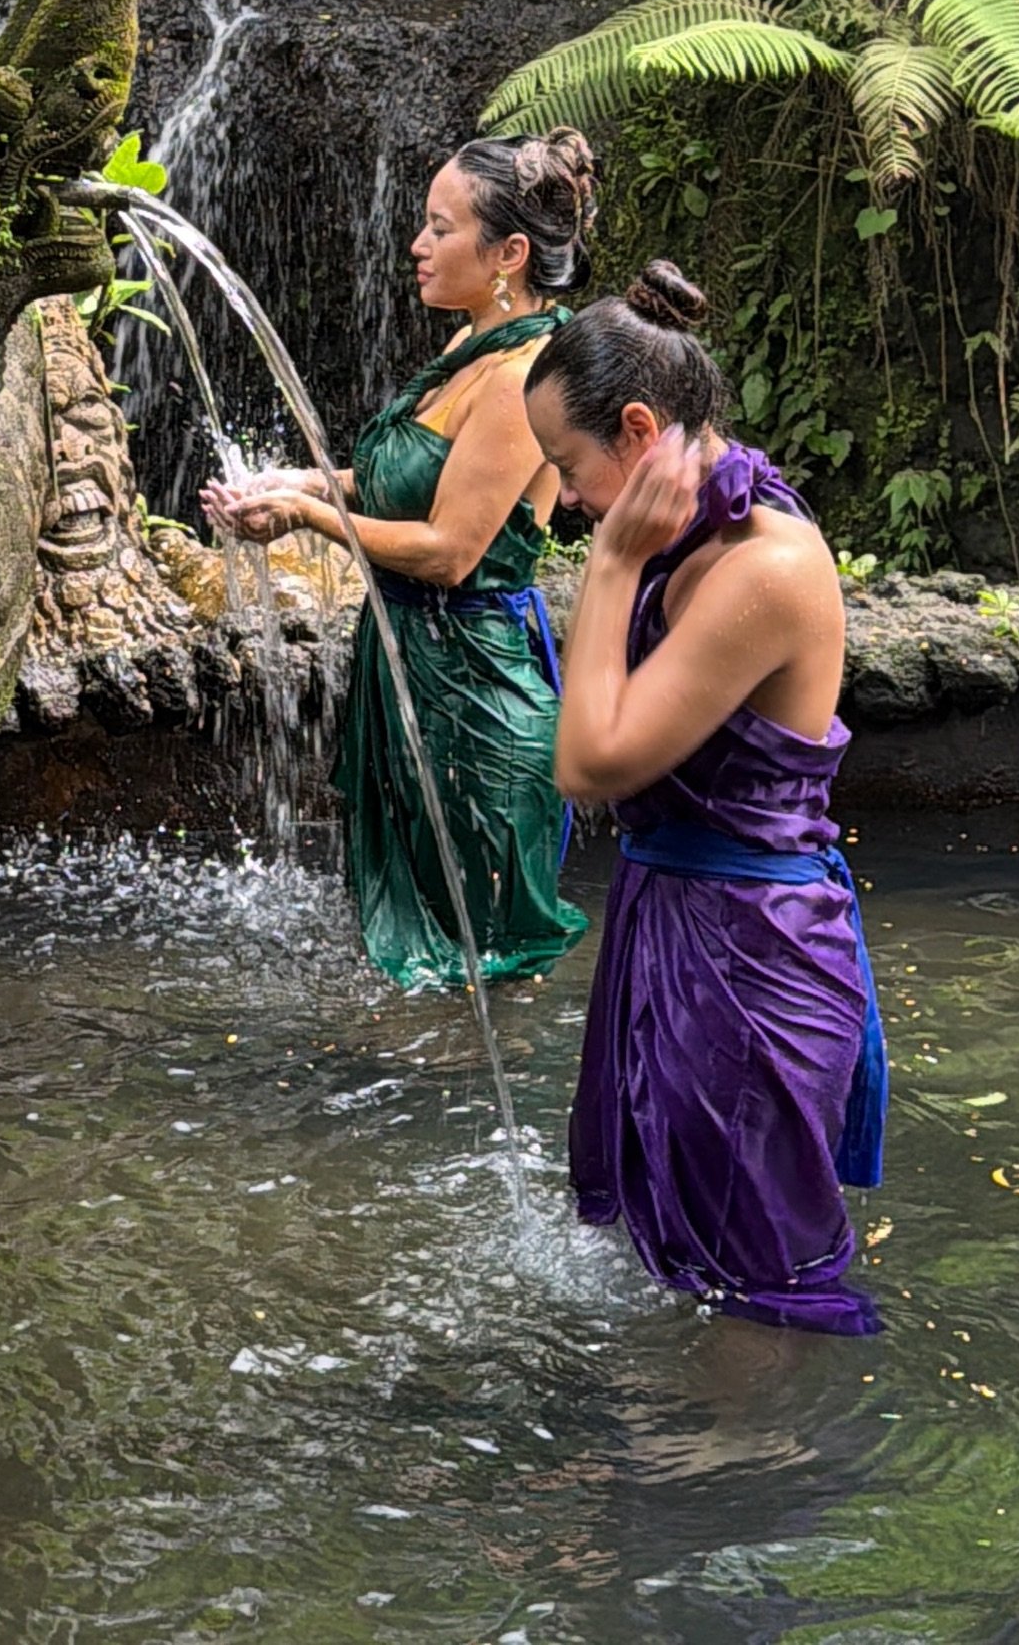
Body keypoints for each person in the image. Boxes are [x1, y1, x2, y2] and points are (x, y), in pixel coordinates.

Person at [523, 262, 887, 1335]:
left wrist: (610, 566)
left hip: (751, 960)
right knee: (665, 1255)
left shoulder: (762, 569)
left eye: (567, 468)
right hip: (676, 928)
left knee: (747, 1287)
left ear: (638, 430)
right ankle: (673, 1466)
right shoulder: (681, 540)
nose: (562, 502)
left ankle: (742, 1488)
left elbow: (590, 763)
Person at [202, 132, 594, 989]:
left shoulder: (521, 376)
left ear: (509, 255)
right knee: (425, 969)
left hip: (473, 700)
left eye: (440, 229)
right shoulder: (472, 345)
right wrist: (302, 479)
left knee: (479, 965)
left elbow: (451, 551)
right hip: (417, 673)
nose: (417, 245)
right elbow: (402, 484)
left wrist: (309, 514)